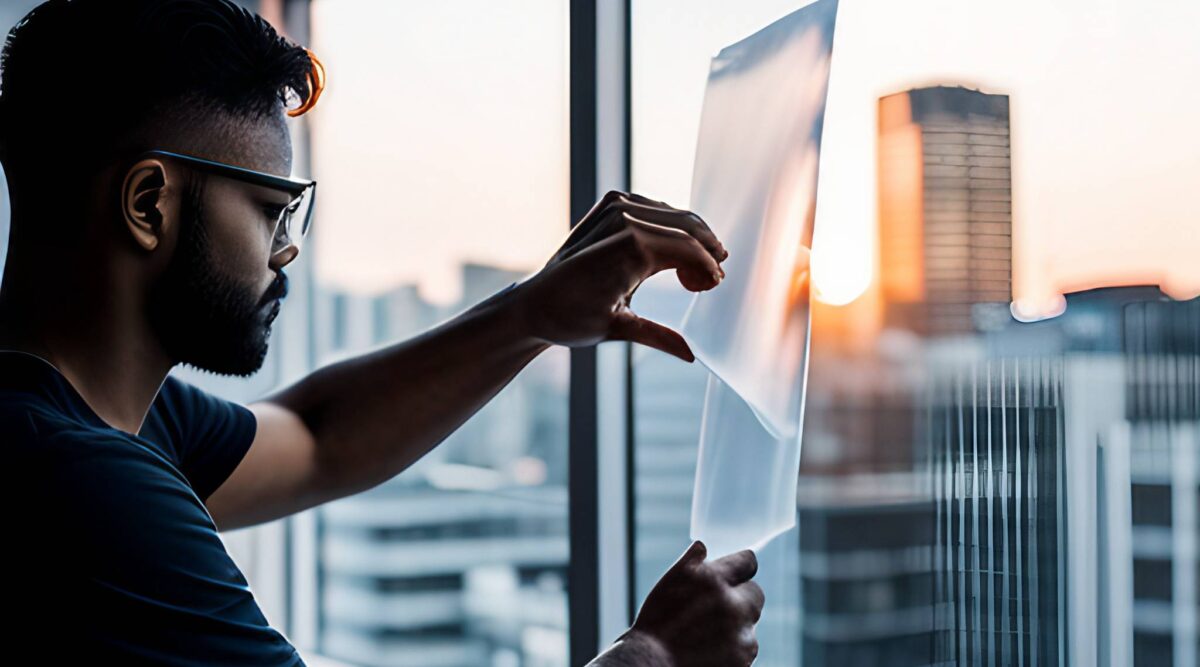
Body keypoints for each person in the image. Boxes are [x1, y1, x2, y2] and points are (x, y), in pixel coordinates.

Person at [0, 1, 763, 665]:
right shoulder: (79, 480)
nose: (286, 249)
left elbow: (318, 438)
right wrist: (656, 654)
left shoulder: (100, 419)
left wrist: (532, 312)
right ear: (148, 204)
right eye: (271, 211)